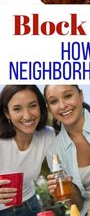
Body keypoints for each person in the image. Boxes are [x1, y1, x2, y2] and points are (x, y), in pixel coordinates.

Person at [44, 85, 90, 216]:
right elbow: (77, 205)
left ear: (81, 95)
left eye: (68, 96)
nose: (62, 105)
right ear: (49, 108)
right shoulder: (53, 151)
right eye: (54, 101)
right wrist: (66, 187)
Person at [0, 85, 55, 216]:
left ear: (41, 107)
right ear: (7, 113)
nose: (27, 115)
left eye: (32, 106)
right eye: (17, 109)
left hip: (30, 205)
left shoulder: (47, 135)